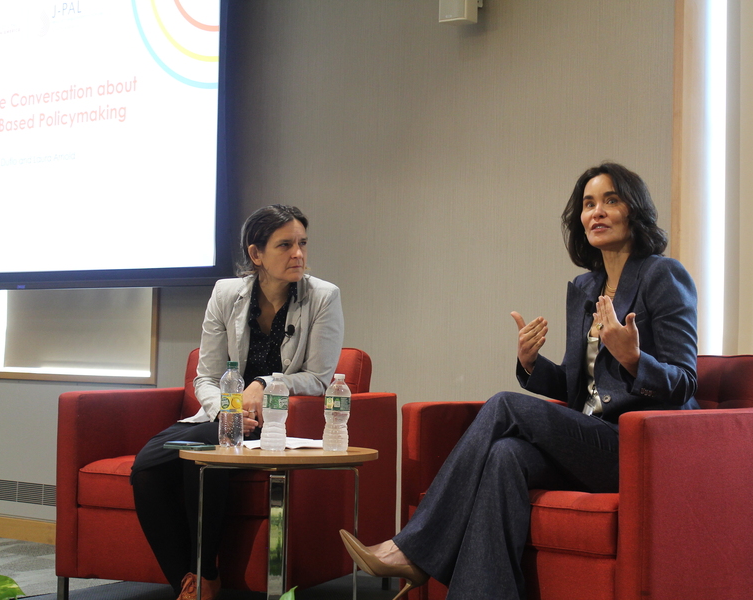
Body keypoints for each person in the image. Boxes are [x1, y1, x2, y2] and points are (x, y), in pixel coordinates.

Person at [339, 162, 699, 600]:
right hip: (589, 439)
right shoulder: (585, 287)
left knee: (504, 405)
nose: (597, 212)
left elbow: (685, 382)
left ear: (634, 211)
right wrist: (531, 365)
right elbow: (577, 389)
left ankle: (411, 549)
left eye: (611, 200)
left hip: (634, 448)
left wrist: (634, 360)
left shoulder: (664, 275)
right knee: (505, 455)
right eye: (588, 204)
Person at [131, 204, 344, 600]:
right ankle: (189, 580)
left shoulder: (323, 297)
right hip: (222, 417)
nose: (298, 254)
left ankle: (206, 574)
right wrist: (225, 411)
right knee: (147, 466)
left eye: (302, 243)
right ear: (256, 254)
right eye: (285, 245)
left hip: (276, 422)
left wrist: (264, 383)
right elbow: (206, 376)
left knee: (203, 458)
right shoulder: (226, 294)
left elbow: (318, 378)